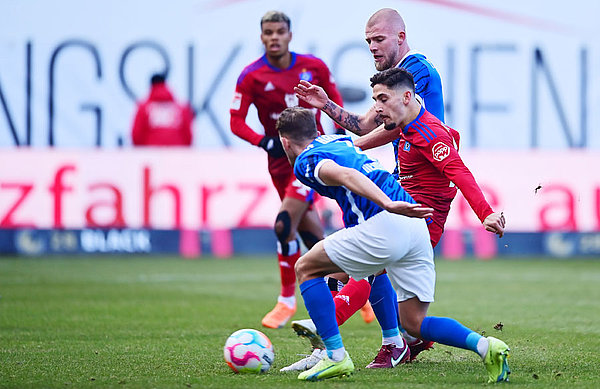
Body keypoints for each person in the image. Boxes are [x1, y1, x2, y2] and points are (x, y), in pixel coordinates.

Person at [276, 104, 510, 383]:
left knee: (306, 267)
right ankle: (487, 347)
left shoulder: (306, 160)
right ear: (315, 131)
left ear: (284, 141)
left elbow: (347, 175)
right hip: (414, 223)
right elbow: (357, 150)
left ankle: (334, 355)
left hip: (386, 221)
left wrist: (386, 203)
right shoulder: (335, 140)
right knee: (414, 323)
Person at [283, 7, 448, 369]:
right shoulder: (392, 78)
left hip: (426, 188)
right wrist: (325, 104)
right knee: (370, 264)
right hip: (406, 181)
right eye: (368, 41)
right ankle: (398, 341)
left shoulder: (416, 70)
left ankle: (330, 339)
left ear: (400, 37)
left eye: (379, 39)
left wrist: (349, 150)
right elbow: (362, 124)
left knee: (363, 264)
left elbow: (391, 128)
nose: (372, 47)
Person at [229, 10, 345, 329]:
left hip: (313, 154)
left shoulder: (313, 67)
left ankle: (286, 300)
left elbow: (333, 100)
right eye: (269, 32)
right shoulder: (251, 76)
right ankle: (349, 285)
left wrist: (338, 136)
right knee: (310, 234)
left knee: (283, 225)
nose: (275, 37)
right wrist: (264, 142)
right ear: (262, 36)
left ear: (290, 35)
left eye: (280, 31)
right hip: (281, 162)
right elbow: (236, 121)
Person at [131, 73, 194, 146]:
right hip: (176, 154)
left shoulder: (144, 108)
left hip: (151, 154)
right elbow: (188, 137)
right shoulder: (181, 108)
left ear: (151, 86)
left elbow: (136, 136)